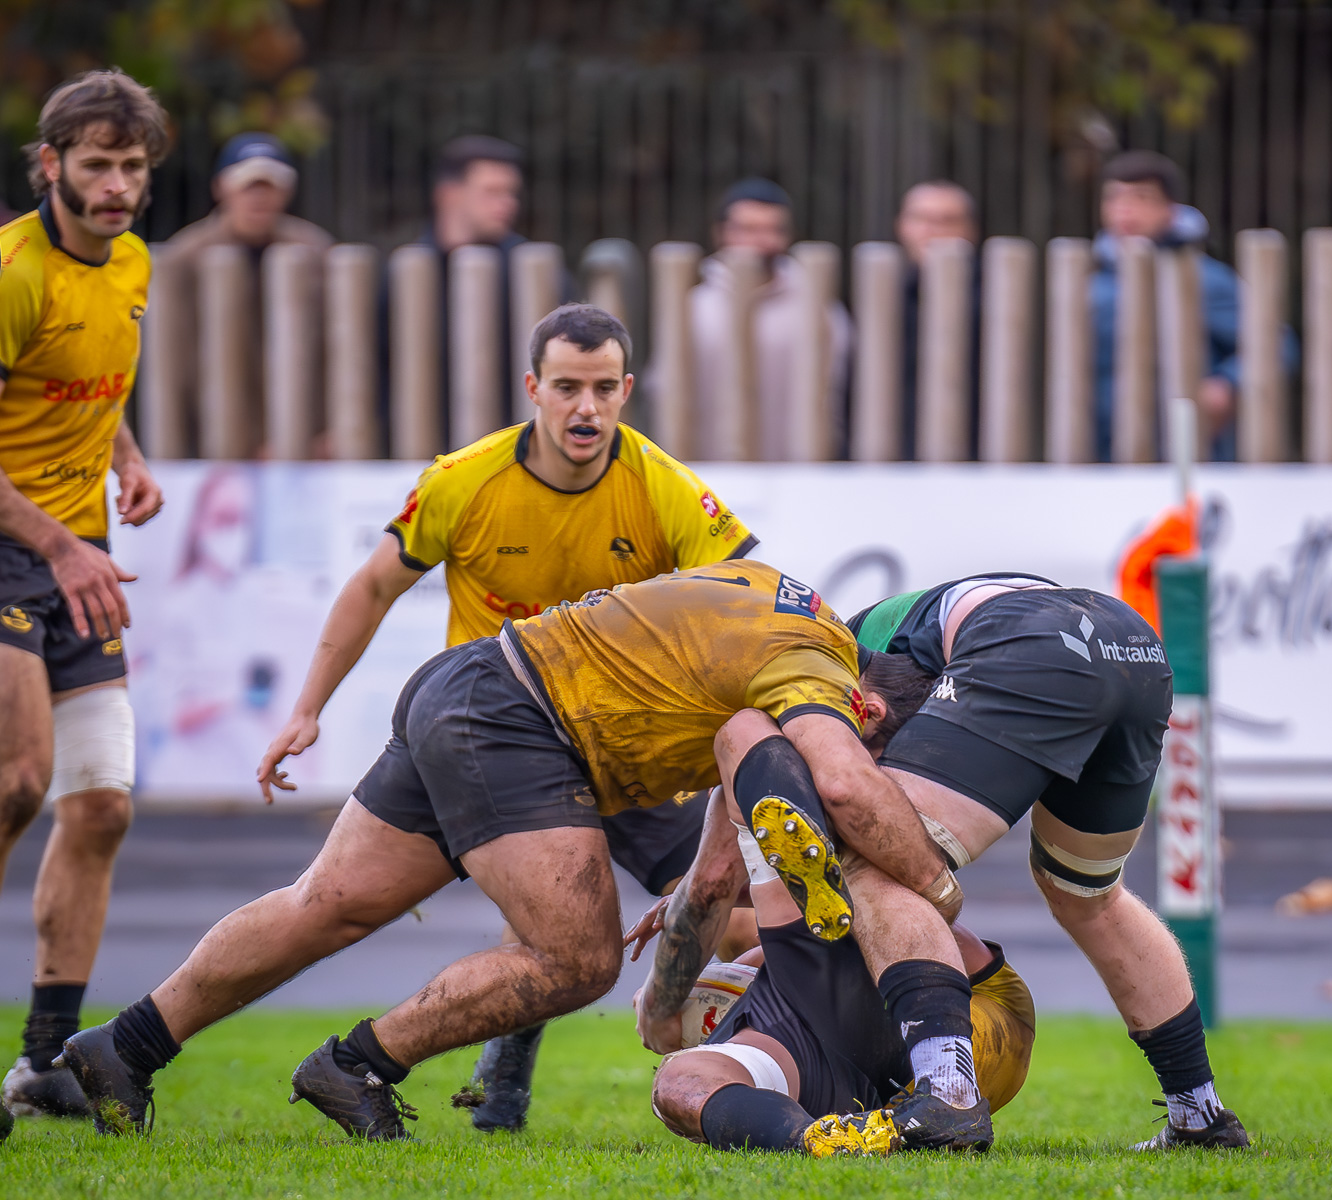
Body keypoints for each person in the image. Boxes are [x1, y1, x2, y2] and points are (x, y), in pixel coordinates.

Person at [61, 560, 955, 1140]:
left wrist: (683, 939)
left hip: (473, 680)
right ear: (868, 711)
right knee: (576, 958)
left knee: (324, 903)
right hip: (519, 722)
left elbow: (719, 862)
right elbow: (841, 783)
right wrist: (934, 885)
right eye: (877, 748)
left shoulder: (781, 593)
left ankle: (127, 1044)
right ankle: (355, 1067)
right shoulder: (821, 681)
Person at [253, 303, 754, 1133]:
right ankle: (484, 1082)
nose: (584, 408)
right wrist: (307, 709)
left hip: (624, 744)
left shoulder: (664, 486)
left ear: (626, 391)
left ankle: (755, 1060)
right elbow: (374, 585)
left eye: (601, 388)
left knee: (731, 912)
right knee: (500, 919)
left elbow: (741, 593)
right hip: (500, 738)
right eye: (566, 388)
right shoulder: (464, 479)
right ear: (534, 388)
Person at [849, 575, 1250, 1151]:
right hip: (1131, 644)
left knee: (877, 856)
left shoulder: (828, 653)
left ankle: (948, 1096)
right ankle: (1199, 1113)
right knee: (1087, 893)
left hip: (1034, 639)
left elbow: (834, 772)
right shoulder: (898, 643)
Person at [0, 69, 169, 1122]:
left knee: (99, 806)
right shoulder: (16, 271)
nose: (116, 187)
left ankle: (44, 1062)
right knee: (20, 781)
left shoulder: (135, 262)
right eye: (97, 166)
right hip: (20, 549)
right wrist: (63, 546)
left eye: (133, 167)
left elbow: (85, 383)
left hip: (78, 554)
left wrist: (130, 453)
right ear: (51, 164)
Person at [635, 788, 1035, 1156]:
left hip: (970, 998)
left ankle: (942, 1098)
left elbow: (932, 927)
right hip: (830, 1039)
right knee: (680, 1084)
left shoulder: (837, 802)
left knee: (850, 906)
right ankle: (821, 1139)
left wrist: (705, 926)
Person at [1090, 150, 1293, 463]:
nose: (1124, 209)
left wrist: (1227, 385)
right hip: (1098, 459)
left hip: (1187, 456)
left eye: (1140, 197)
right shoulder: (1092, 285)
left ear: (1169, 209)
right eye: (1113, 198)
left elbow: (1277, 344)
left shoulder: (1203, 280)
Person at [377, 135, 572, 452]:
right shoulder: (406, 271)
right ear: (448, 195)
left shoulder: (534, 273)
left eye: (511, 192)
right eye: (492, 192)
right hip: (416, 447)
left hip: (518, 449)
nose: (509, 203)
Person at [155, 133, 333, 455]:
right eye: (247, 185)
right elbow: (177, 362)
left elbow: (334, 347)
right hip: (213, 438)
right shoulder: (185, 257)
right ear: (220, 188)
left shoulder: (316, 251)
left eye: (270, 186)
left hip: (304, 440)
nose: (259, 198)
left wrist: (326, 428)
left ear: (287, 191)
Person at [687, 178, 853, 460]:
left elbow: (842, 394)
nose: (759, 242)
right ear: (720, 233)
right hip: (709, 474)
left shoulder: (820, 308)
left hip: (802, 473)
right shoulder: (694, 307)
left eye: (772, 230)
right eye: (747, 229)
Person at [894, 180, 981, 460]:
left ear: (970, 232)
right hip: (890, 461)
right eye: (922, 219)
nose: (933, 232)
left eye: (948, 221)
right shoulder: (881, 300)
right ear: (902, 227)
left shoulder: (997, 307)